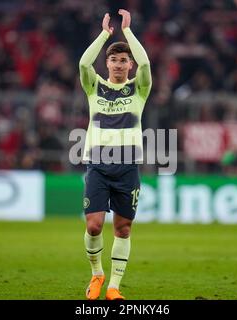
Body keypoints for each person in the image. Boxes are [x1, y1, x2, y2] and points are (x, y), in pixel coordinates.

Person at [78, 9, 151, 300]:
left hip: (127, 168)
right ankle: (97, 275)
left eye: (123, 60)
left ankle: (114, 287)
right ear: (106, 63)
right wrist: (105, 34)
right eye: (114, 59)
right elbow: (84, 62)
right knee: (94, 225)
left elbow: (146, 63)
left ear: (129, 65)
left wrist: (128, 32)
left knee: (123, 229)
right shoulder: (95, 86)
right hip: (98, 165)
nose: (119, 64)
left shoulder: (138, 90)